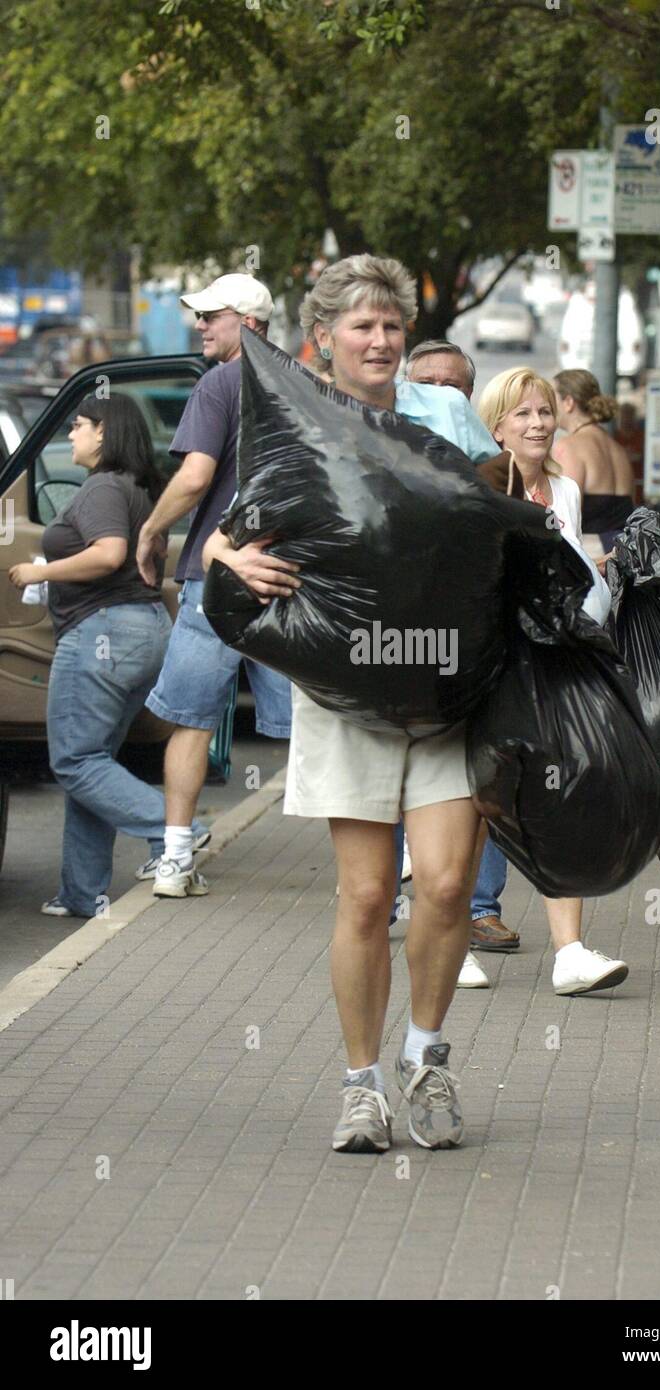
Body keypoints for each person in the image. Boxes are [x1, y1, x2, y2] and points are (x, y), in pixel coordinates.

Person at [204, 254, 498, 1154]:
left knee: (446, 885)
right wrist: (231, 562)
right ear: (321, 339)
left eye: (390, 325)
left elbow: (496, 512)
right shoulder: (292, 422)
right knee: (368, 897)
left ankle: (428, 1056)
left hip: (452, 688)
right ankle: (361, 1084)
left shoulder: (442, 412)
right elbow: (227, 531)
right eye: (361, 326)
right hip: (347, 693)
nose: (379, 340)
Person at [9, 395, 206, 918]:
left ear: (105, 433)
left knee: (74, 760)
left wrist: (40, 572)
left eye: (77, 425)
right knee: (92, 760)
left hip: (103, 636)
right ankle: (80, 892)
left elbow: (109, 553)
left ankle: (178, 833)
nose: (70, 434)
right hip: (141, 632)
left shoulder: (100, 487)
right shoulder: (138, 489)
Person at [135, 274, 293, 899]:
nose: (200, 326)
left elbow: (197, 477)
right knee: (325, 725)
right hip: (290, 577)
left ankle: (174, 860)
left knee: (192, 720)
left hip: (218, 575)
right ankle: (374, 878)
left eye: (211, 317)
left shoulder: (220, 383)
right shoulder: (304, 383)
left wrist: (151, 529)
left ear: (247, 324)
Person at [476, 366, 629, 996]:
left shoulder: (565, 490)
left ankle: (569, 954)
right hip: (492, 668)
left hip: (557, 665)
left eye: (543, 412)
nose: (538, 423)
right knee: (479, 805)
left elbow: (571, 575)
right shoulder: (483, 486)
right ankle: (454, 935)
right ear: (497, 426)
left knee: (559, 799)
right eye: (522, 415)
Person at [405, 340, 521, 986]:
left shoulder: (491, 468)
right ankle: (424, 899)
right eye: (429, 385)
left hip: (471, 648)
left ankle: (476, 910)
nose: (442, 395)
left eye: (455, 385)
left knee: (480, 780)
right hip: (395, 650)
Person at [552, 369, 635, 555]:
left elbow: (566, 517)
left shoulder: (569, 448)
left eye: (552, 398)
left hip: (591, 559)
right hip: (623, 557)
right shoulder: (618, 450)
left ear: (568, 403)